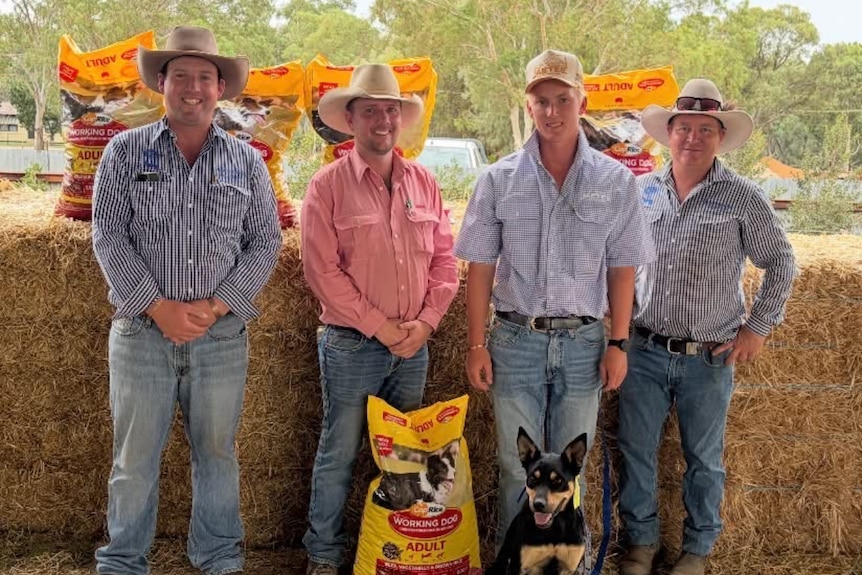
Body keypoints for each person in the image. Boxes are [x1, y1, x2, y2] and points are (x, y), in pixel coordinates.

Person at [91, 26, 282, 575]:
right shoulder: (123, 153)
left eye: (204, 77)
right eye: (181, 76)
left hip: (221, 339)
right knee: (133, 461)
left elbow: (265, 241)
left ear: (221, 88)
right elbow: (108, 234)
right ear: (161, 83)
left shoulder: (246, 162)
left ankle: (219, 557)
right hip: (140, 337)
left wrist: (218, 305)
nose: (192, 88)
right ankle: (124, 560)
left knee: (217, 455)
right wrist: (158, 306)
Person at [454, 49, 655, 547]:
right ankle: (513, 560)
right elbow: (479, 269)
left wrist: (618, 343)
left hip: (585, 342)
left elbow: (622, 268)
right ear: (528, 106)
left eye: (562, 99)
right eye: (540, 100)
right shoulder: (498, 179)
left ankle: (567, 560)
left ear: (581, 101)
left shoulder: (614, 181)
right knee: (511, 465)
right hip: (516, 340)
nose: (552, 111)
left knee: (573, 468)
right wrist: (476, 344)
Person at [616, 79, 796, 575]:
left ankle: (697, 550)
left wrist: (756, 328)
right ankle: (642, 543)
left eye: (705, 129)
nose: (692, 138)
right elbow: (618, 264)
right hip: (645, 348)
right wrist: (618, 334)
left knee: (704, 459)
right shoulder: (639, 192)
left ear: (720, 137)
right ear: (667, 135)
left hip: (710, 356)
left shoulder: (743, 197)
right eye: (683, 128)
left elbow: (782, 263)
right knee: (636, 449)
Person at [300, 63, 459, 575]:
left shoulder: (424, 182)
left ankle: (394, 553)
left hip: (412, 346)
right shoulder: (326, 186)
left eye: (391, 110)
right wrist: (381, 327)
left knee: (404, 458)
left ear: (402, 118)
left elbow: (443, 260)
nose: (383, 121)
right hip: (352, 345)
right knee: (339, 451)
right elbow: (322, 272)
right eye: (371, 111)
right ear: (351, 120)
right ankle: (324, 554)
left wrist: (426, 324)